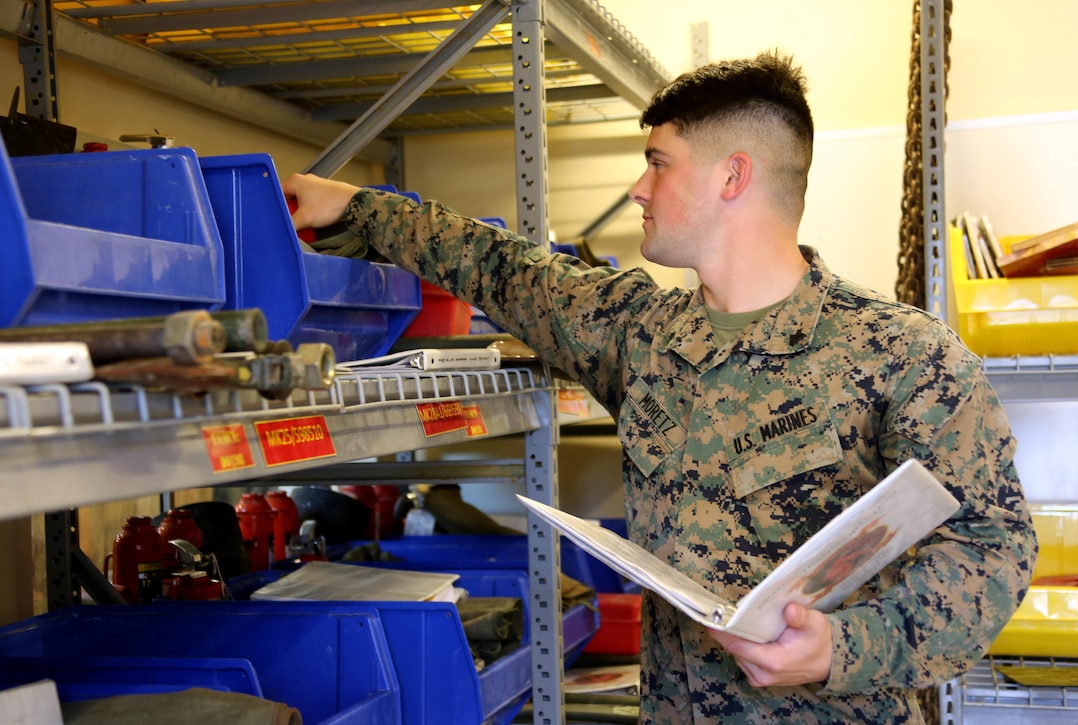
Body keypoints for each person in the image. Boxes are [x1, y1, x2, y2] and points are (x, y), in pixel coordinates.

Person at [283, 51, 1037, 724]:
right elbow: (502, 267)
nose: (638, 188)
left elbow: (993, 547)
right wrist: (355, 207)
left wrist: (842, 645)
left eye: (658, 162)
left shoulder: (902, 353)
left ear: (732, 175)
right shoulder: (640, 334)